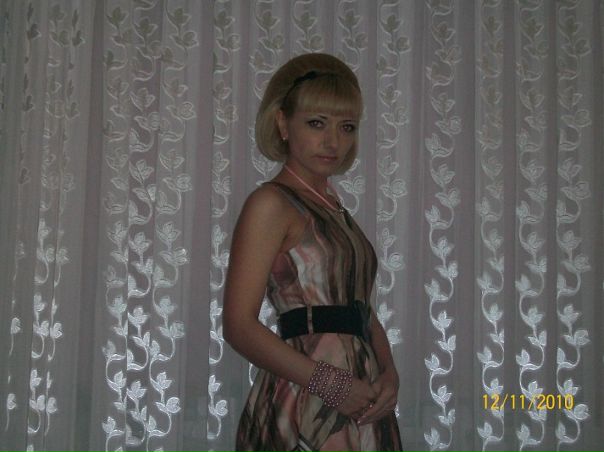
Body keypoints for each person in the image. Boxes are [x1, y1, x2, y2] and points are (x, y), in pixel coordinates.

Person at [223, 53, 403, 452]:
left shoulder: (334, 209)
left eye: (346, 127)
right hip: (306, 394)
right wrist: (330, 384)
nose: (333, 141)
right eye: (317, 123)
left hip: (362, 395)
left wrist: (389, 374)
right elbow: (238, 326)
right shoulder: (271, 203)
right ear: (282, 123)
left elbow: (360, 310)